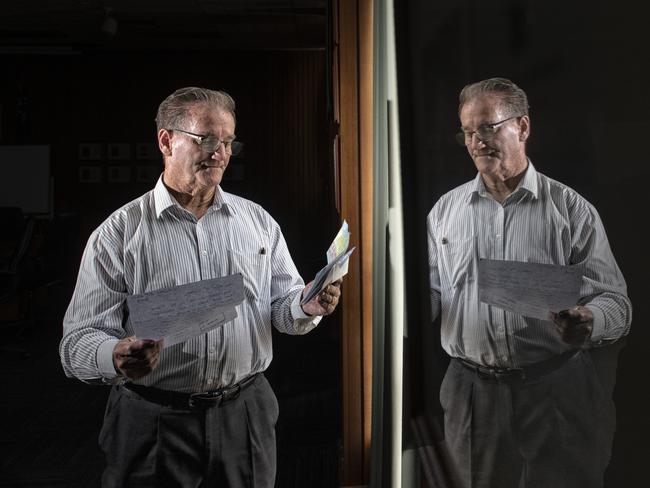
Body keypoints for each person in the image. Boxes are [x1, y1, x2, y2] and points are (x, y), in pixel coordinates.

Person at [60, 87, 342, 488]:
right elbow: (76, 345)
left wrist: (304, 306)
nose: (220, 153)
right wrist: (114, 354)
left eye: (228, 142)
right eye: (207, 140)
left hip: (246, 413)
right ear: (165, 140)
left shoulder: (257, 222)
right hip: (152, 421)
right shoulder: (117, 234)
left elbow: (280, 309)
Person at [427, 78, 632, 488]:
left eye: (487, 128)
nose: (476, 142)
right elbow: (433, 293)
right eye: (467, 132)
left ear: (522, 127)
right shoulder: (444, 212)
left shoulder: (571, 210)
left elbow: (616, 302)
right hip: (470, 393)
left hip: (555, 389)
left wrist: (590, 319)